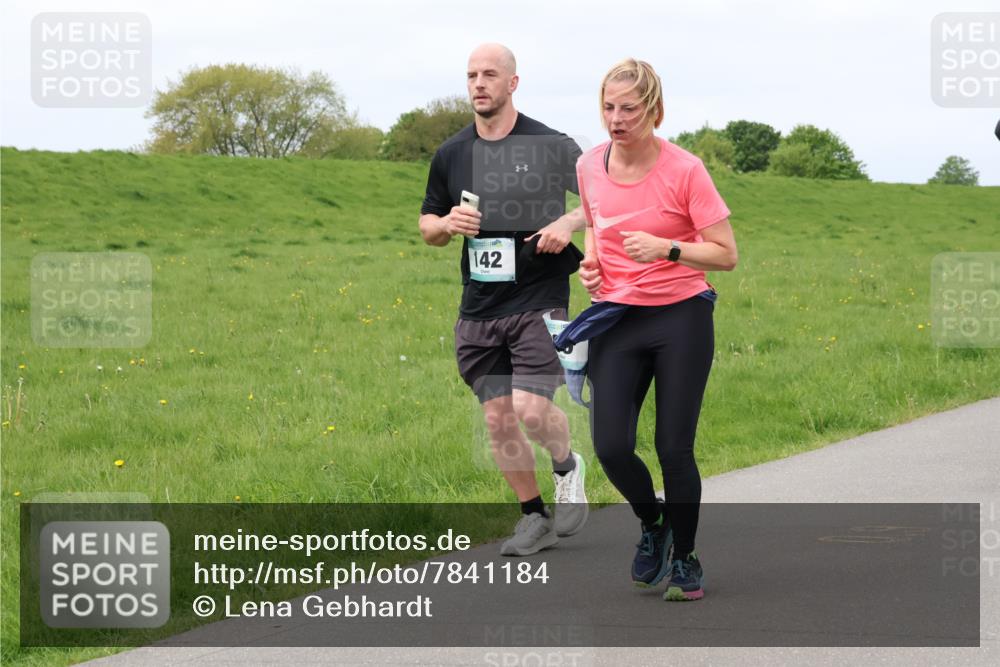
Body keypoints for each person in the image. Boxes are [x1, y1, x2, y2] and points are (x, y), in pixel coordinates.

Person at [576, 58, 738, 600]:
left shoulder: (686, 170)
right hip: (617, 316)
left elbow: (726, 254)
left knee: (674, 447)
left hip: (681, 315)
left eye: (628, 109)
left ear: (655, 112)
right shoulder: (588, 164)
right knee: (611, 446)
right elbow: (598, 225)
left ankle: (687, 559)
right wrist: (592, 262)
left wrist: (669, 248)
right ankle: (654, 524)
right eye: (608, 107)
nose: (616, 119)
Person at [419, 43, 589, 556]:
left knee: (531, 411)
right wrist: (447, 224)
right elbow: (426, 224)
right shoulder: (452, 153)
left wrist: (567, 220)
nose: (478, 83)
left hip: (538, 294)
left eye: (489, 74)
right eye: (471, 75)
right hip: (479, 306)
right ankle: (532, 516)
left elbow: (603, 198)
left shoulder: (550, 145)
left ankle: (566, 465)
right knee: (497, 418)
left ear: (513, 83)